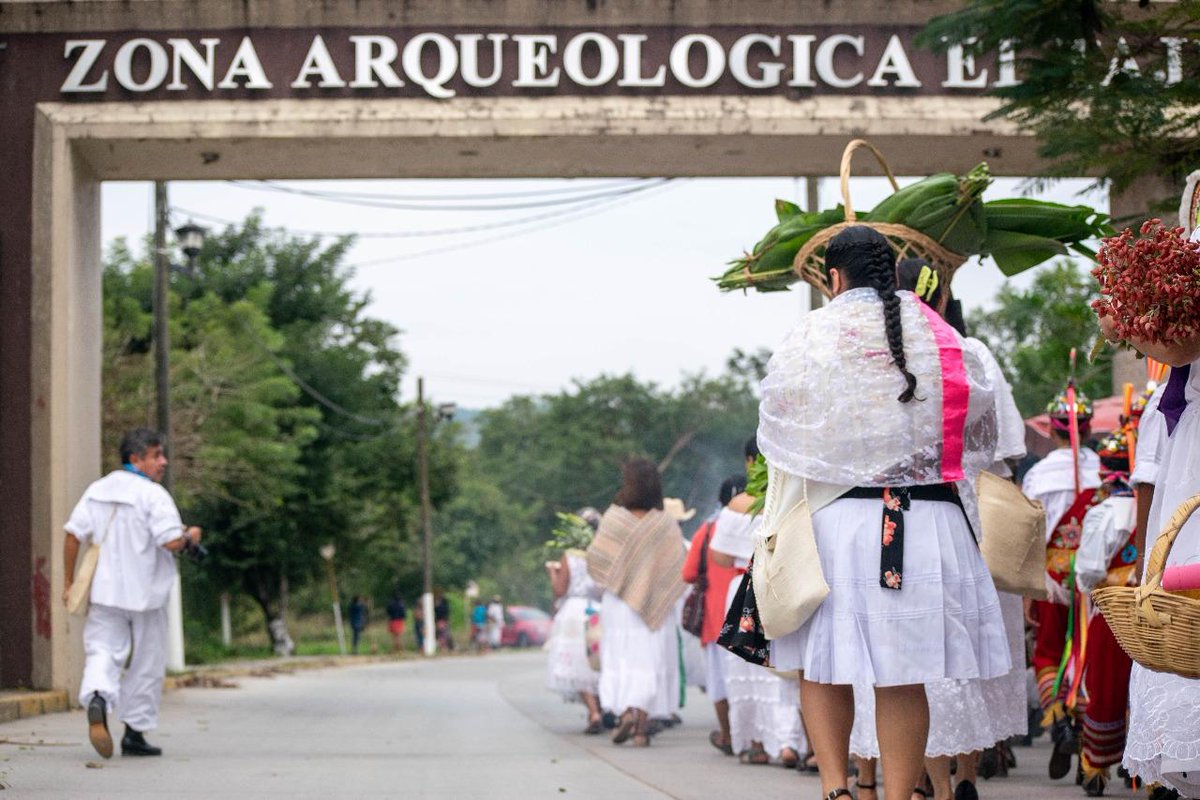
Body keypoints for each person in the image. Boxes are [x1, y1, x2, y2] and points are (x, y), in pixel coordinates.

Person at [751, 226, 1007, 800]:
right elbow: (981, 436)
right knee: (903, 671)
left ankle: (837, 789)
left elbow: (777, 430)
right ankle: (897, 796)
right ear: (893, 274)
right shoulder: (941, 334)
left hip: (840, 522)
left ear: (834, 279)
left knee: (822, 664)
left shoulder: (813, 335)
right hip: (927, 526)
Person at [848, 260, 1031, 800]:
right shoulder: (967, 351)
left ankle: (930, 785)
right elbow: (1001, 445)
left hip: (891, 514)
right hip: (962, 509)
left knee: (904, 650)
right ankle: (966, 775)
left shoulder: (866, 356)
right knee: (960, 648)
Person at [61, 428, 203, 759]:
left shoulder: (98, 490)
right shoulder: (153, 495)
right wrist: (190, 537)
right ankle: (134, 733)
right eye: (156, 455)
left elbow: (73, 534)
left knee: (102, 651)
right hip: (147, 596)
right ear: (135, 459)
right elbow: (169, 540)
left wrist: (68, 582)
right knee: (147, 662)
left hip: (105, 594)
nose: (163, 462)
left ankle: (97, 697)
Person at [1021, 386, 1102, 781]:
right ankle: (1090, 744)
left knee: (1049, 651)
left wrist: (1027, 590)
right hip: (1096, 577)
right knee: (1090, 656)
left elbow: (1030, 535)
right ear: (1087, 430)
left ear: (1052, 430)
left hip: (1051, 577)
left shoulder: (1037, 475)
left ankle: (1060, 722)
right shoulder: (1105, 468)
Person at [711, 442, 804, 768]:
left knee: (745, 661)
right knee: (783, 665)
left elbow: (719, 555)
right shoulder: (792, 495)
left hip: (744, 584)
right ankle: (790, 742)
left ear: (751, 461)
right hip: (783, 583)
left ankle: (756, 743)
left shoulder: (736, 505)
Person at [586, 458, 687, 747]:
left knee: (621, 657)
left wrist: (620, 576)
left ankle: (625, 711)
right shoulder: (665, 523)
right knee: (648, 661)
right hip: (654, 604)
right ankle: (641, 727)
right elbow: (677, 564)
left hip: (618, 603)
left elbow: (596, 560)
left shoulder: (613, 519)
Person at [1073, 429, 1140, 797]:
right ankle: (1157, 772)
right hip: (1152, 609)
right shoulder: (1155, 504)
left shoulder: (1102, 513)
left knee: (1105, 688)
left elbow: (1088, 573)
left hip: (1112, 613)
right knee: (1147, 686)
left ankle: (1097, 765)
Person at [681, 475, 744, 756]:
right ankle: (759, 740)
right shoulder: (766, 520)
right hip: (751, 618)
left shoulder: (707, 531)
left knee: (721, 682)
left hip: (714, 620)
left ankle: (730, 736)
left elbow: (688, 573)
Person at [545, 509, 604, 732]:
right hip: (598, 611)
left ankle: (593, 712)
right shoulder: (604, 555)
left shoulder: (570, 556)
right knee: (598, 661)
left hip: (573, 613)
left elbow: (560, 590)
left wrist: (552, 573)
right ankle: (603, 707)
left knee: (577, 664)